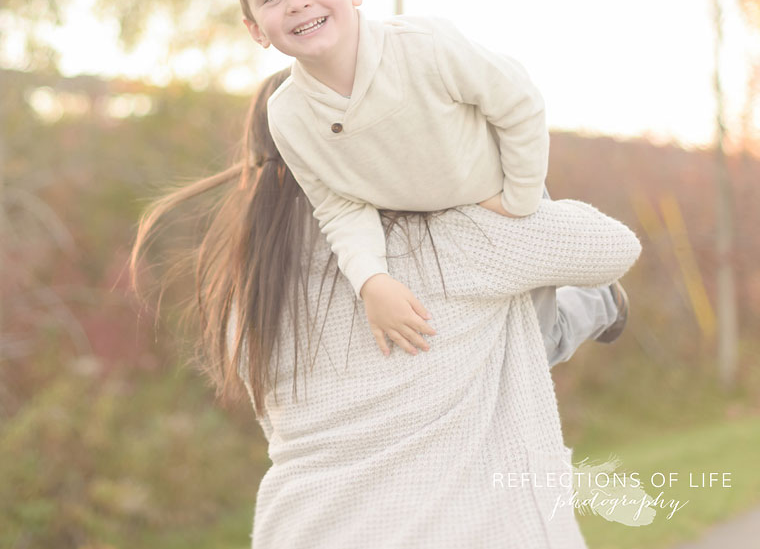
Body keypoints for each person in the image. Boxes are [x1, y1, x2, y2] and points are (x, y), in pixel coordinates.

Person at [130, 70, 643, 548]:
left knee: (495, 334)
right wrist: (488, 180)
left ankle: (595, 307)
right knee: (515, 331)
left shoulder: (247, 292)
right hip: (450, 529)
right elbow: (612, 247)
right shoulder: (441, 237)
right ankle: (599, 306)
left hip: (302, 529)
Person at [228, 0, 627, 362]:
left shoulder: (425, 48)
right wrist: (371, 281)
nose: (297, 2)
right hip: (426, 225)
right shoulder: (289, 116)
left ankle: (602, 300)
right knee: (467, 358)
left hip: (503, 201)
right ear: (256, 28)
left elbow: (519, 102)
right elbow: (339, 205)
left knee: (536, 347)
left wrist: (519, 198)